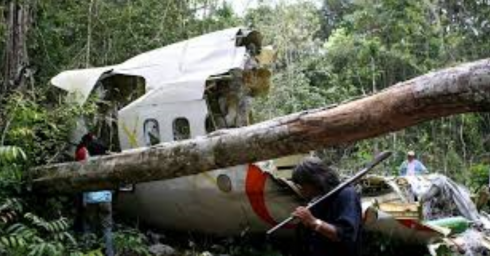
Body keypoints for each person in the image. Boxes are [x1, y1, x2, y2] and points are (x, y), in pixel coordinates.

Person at [291, 157, 362, 256]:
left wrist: (313, 222)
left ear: (315, 180)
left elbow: (345, 235)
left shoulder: (346, 195)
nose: (301, 190)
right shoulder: (316, 200)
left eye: (303, 185)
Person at [75, 133, 114, 256]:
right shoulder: (107, 163)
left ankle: (88, 251)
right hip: (106, 199)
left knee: (88, 227)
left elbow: (82, 182)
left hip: (90, 199)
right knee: (107, 228)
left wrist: (83, 200)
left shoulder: (86, 165)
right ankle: (110, 253)